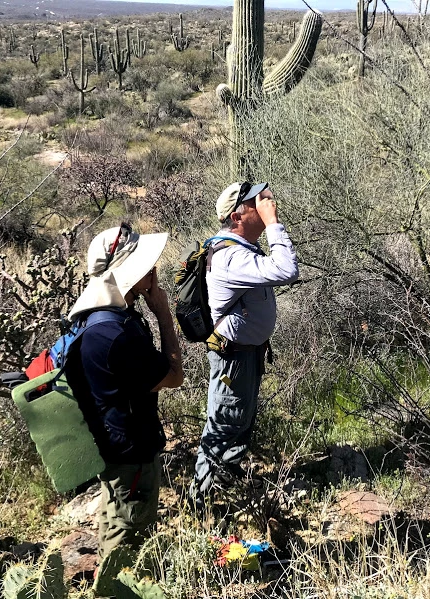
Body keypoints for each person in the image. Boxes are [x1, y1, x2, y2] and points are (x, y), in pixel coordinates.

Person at [64, 223, 183, 596]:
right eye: (147, 265)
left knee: (118, 518)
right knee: (127, 533)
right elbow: (174, 375)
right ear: (128, 273)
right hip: (130, 452)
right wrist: (163, 312)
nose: (154, 270)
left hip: (114, 441)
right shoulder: (117, 333)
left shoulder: (103, 319)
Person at [189, 182, 299, 508]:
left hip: (245, 355)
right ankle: (202, 506)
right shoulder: (230, 256)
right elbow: (287, 269)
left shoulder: (242, 249)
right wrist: (274, 223)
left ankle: (223, 490)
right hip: (233, 359)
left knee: (239, 424)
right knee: (224, 426)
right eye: (256, 202)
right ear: (238, 215)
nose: (265, 202)